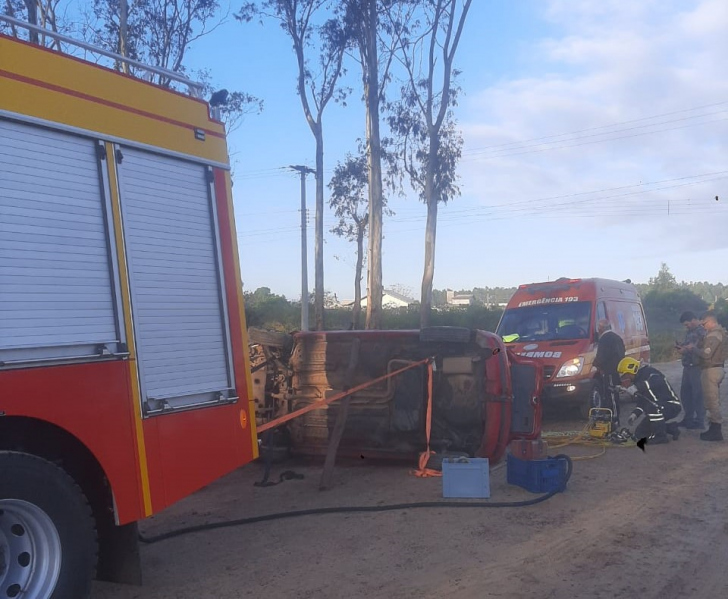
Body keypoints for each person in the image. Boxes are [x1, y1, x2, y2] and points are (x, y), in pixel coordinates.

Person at [617, 357, 682, 444]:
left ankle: (661, 437)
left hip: (671, 405)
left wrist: (637, 387)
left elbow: (655, 381)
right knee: (640, 433)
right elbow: (642, 401)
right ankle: (671, 428)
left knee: (651, 407)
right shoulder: (638, 380)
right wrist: (634, 414)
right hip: (658, 407)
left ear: (632, 370)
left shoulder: (650, 372)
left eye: (626, 375)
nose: (626, 378)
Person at [697, 311, 726, 442]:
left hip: (711, 370)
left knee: (711, 400)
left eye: (704, 323)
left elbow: (706, 354)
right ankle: (713, 428)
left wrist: (693, 349)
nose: (703, 326)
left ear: (711, 322)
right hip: (714, 368)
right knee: (711, 400)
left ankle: (715, 430)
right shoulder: (717, 334)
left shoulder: (714, 335)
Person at [676, 311, 706, 429]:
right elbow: (688, 345)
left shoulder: (702, 332)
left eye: (687, 324)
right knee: (686, 394)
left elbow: (702, 350)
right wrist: (682, 347)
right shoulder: (690, 332)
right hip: (688, 366)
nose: (686, 327)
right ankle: (688, 418)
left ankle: (699, 421)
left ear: (693, 320)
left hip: (697, 367)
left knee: (698, 394)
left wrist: (688, 349)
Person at [593, 319, 625, 428]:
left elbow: (601, 357)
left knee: (611, 395)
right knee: (614, 394)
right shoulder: (617, 337)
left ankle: (614, 419)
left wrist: (595, 364)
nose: (598, 329)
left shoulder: (604, 340)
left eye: (599, 327)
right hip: (617, 371)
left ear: (601, 329)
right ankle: (614, 417)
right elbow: (622, 354)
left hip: (609, 371)